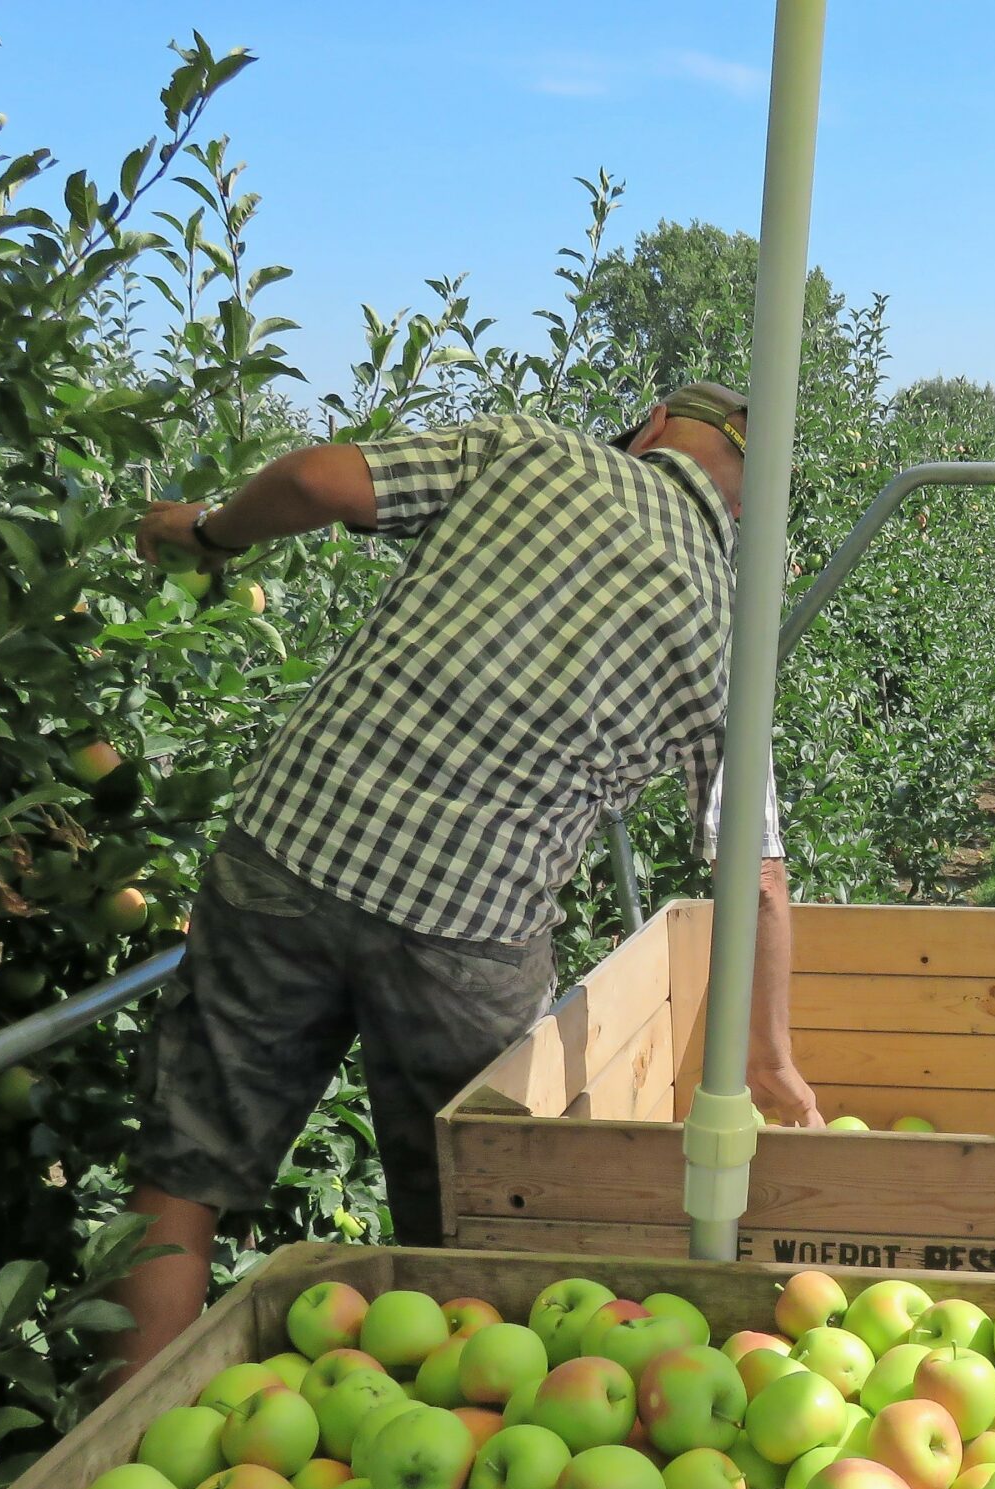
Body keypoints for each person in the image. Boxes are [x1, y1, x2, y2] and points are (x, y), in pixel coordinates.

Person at [115, 382, 825, 1374]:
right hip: (470, 925)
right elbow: (753, 877)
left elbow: (319, 477)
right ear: (740, 507)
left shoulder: (531, 451)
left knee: (182, 1175)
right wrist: (770, 1058)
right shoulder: (725, 627)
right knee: (475, 1237)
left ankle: (106, 1450)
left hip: (295, 843)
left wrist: (209, 532)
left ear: (655, 426)